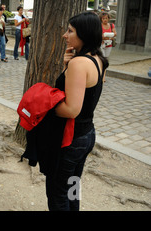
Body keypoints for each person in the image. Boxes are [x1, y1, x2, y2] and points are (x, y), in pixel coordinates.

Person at [46, 11, 109, 211]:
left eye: (70, 31)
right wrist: (66, 66)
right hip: (87, 134)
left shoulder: (79, 63)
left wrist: (45, 107)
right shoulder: (98, 58)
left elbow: (72, 109)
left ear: (84, 34)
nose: (65, 35)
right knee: (73, 185)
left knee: (58, 192)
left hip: (70, 138)